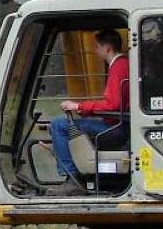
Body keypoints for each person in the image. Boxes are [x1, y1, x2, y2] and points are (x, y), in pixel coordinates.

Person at [46, 28, 127, 189]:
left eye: (97, 47)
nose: (95, 51)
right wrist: (84, 109)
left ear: (107, 48)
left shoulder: (118, 67)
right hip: (119, 124)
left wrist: (78, 106)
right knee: (71, 124)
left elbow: (113, 105)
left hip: (115, 128)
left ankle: (72, 179)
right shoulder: (122, 65)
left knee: (58, 125)